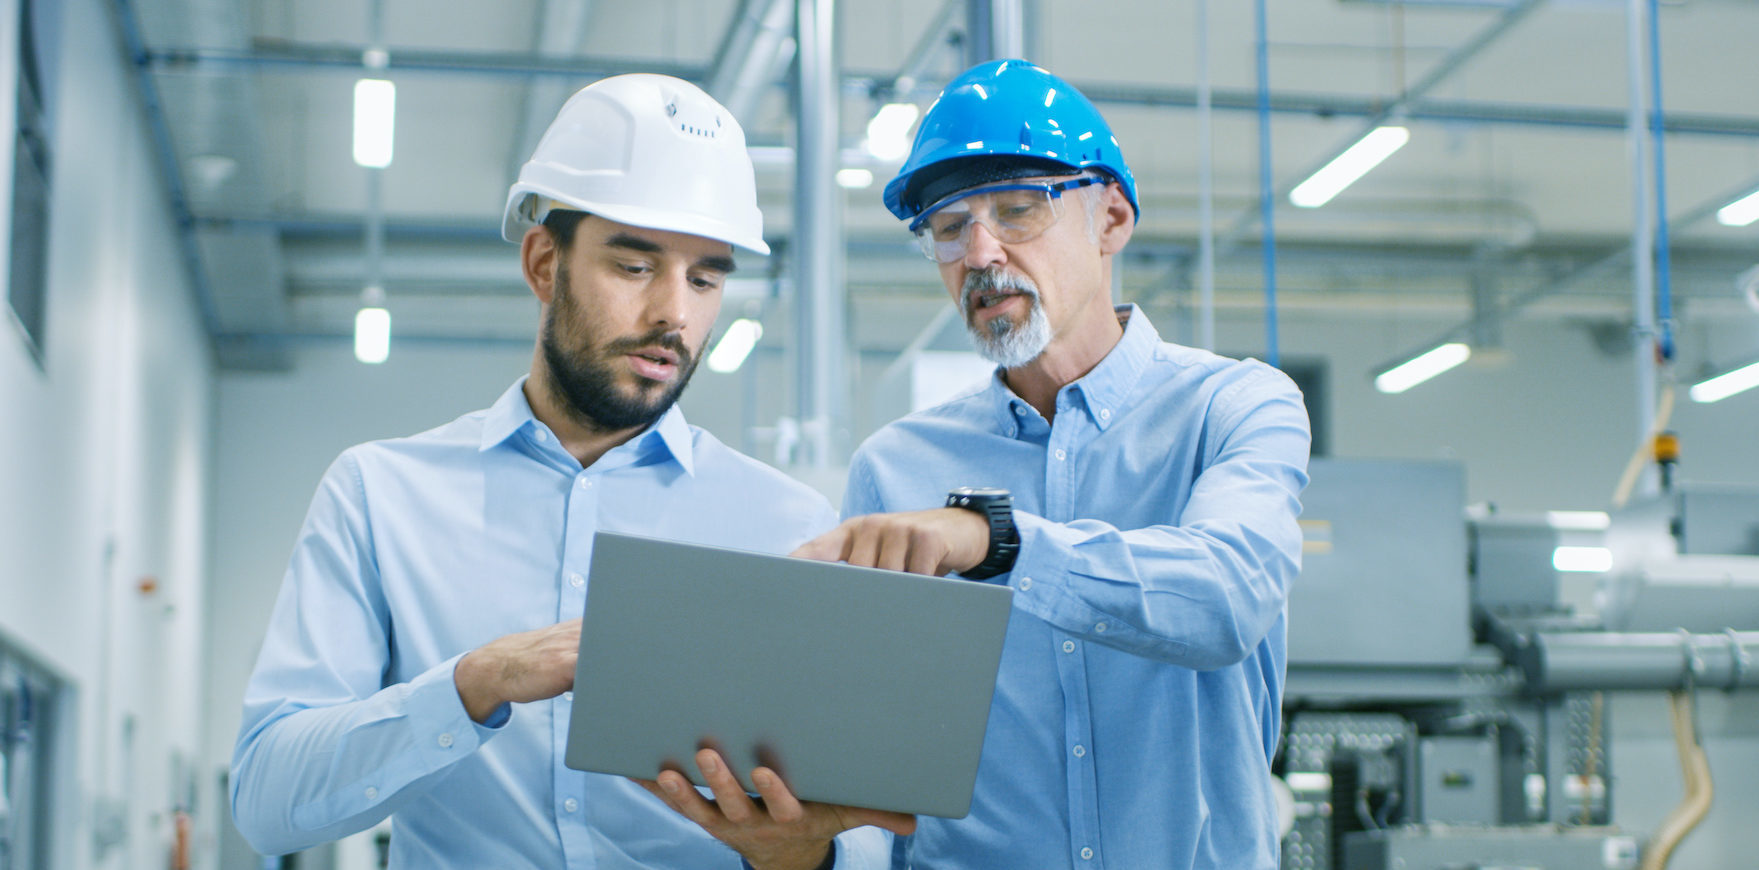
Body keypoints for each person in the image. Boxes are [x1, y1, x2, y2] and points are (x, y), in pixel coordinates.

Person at [229, 74, 906, 870]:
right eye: (634, 266)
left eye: (705, 277)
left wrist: (801, 855)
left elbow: (863, 838)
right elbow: (269, 804)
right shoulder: (382, 495)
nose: (673, 314)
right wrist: (475, 682)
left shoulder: (787, 525)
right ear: (544, 264)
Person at [654, 60, 1311, 868]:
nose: (979, 251)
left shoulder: (1233, 407)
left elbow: (1227, 596)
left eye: (1017, 210)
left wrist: (994, 539)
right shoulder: (895, 470)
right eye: (947, 225)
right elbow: (865, 767)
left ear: (1110, 219)